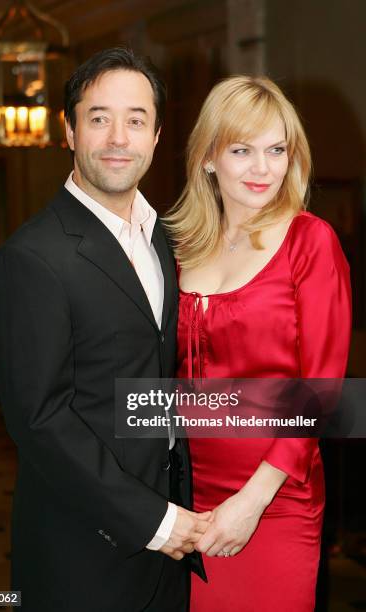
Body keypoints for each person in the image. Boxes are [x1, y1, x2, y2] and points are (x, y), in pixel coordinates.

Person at [0, 47, 210, 612]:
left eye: (136, 120)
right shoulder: (31, 258)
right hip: (83, 555)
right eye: (99, 117)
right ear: (69, 130)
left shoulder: (164, 240)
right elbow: (39, 420)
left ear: (157, 137)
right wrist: (155, 521)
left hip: (172, 551)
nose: (117, 138)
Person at [165, 75, 351, 611]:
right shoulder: (178, 247)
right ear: (207, 158)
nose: (263, 168)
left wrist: (250, 502)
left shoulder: (310, 242)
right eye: (242, 150)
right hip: (185, 493)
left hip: (274, 497)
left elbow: (320, 392)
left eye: (276, 150)